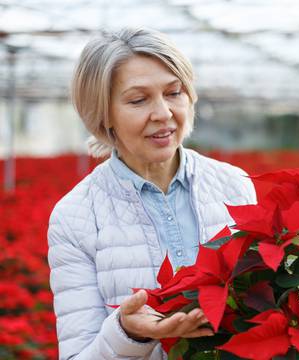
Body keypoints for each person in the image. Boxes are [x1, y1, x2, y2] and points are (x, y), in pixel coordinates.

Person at [47, 28, 256, 359]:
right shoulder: (76, 217)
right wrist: (128, 334)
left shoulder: (236, 185)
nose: (163, 113)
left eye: (174, 93)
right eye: (138, 100)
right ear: (103, 114)